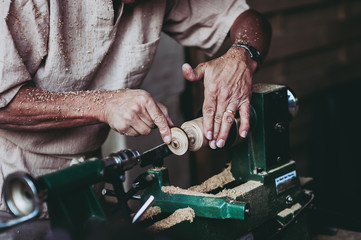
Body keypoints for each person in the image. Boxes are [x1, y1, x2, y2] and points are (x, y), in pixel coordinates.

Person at [0, 0, 271, 226]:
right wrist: (103, 105)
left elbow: (248, 19)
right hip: (10, 187)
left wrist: (242, 54)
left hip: (85, 181)